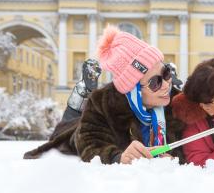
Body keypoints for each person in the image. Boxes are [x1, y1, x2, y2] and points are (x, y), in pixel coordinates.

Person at [24, 25, 184, 164]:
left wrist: (175, 158)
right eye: (155, 82)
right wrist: (117, 157)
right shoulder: (104, 104)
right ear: (133, 89)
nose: (166, 85)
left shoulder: (179, 103)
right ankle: (81, 92)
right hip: (73, 134)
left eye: (167, 73)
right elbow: (89, 143)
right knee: (66, 132)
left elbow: (197, 140)